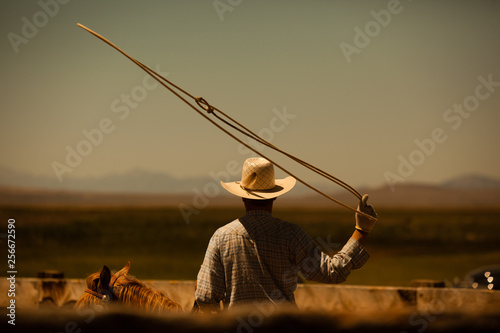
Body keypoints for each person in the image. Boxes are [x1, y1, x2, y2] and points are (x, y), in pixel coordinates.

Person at [195, 157, 377, 311]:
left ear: (242, 196)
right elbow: (333, 272)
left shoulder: (221, 236)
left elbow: (206, 297)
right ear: (274, 196)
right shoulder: (291, 234)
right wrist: (362, 230)